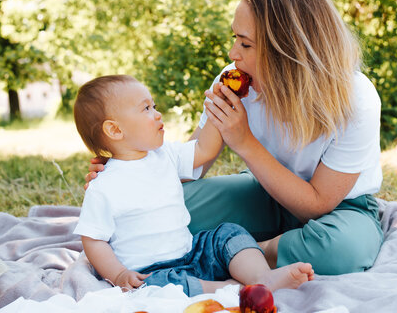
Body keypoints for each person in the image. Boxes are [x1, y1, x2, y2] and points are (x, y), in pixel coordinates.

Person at [86, 0, 383, 276]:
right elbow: (194, 162)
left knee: (342, 250)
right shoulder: (234, 80)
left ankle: (245, 250)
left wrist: (243, 142)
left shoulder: (356, 100)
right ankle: (240, 249)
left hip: (341, 209)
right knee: (161, 211)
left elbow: (316, 204)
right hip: (261, 192)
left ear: (288, 52)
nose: (232, 54)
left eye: (246, 44)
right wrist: (128, 170)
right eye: (235, 39)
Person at [72, 74, 314, 297]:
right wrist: (118, 274)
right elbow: (94, 240)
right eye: (146, 108)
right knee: (155, 288)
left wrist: (220, 105)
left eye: (154, 106)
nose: (157, 114)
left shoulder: (165, 154)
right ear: (115, 129)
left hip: (193, 252)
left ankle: (262, 277)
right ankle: (234, 289)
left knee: (228, 233)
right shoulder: (103, 185)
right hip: (150, 270)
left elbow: (204, 150)